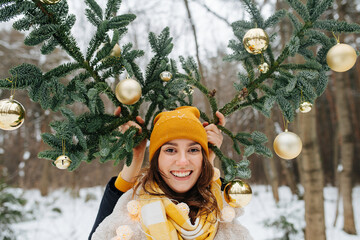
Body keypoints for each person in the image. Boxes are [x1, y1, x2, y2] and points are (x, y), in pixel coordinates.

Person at [89, 106, 252, 240]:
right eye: (170, 150)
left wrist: (206, 162)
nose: (182, 161)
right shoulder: (133, 218)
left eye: (193, 149)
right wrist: (136, 156)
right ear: (156, 159)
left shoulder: (222, 218)